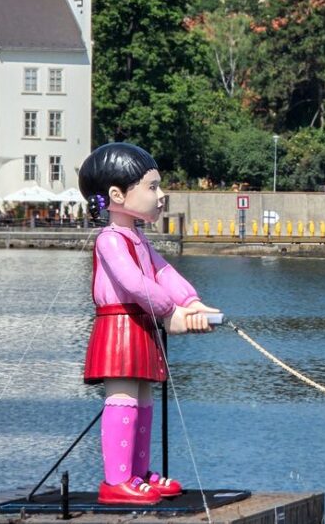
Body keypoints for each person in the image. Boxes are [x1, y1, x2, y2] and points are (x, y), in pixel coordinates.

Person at [79, 142, 220, 505]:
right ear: (116, 195)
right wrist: (169, 312)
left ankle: (137, 475)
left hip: (139, 325)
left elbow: (163, 272)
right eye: (152, 186)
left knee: (142, 399)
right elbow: (133, 282)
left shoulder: (136, 238)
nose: (162, 194)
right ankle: (117, 480)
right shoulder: (110, 240)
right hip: (120, 327)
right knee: (123, 397)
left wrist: (192, 302)